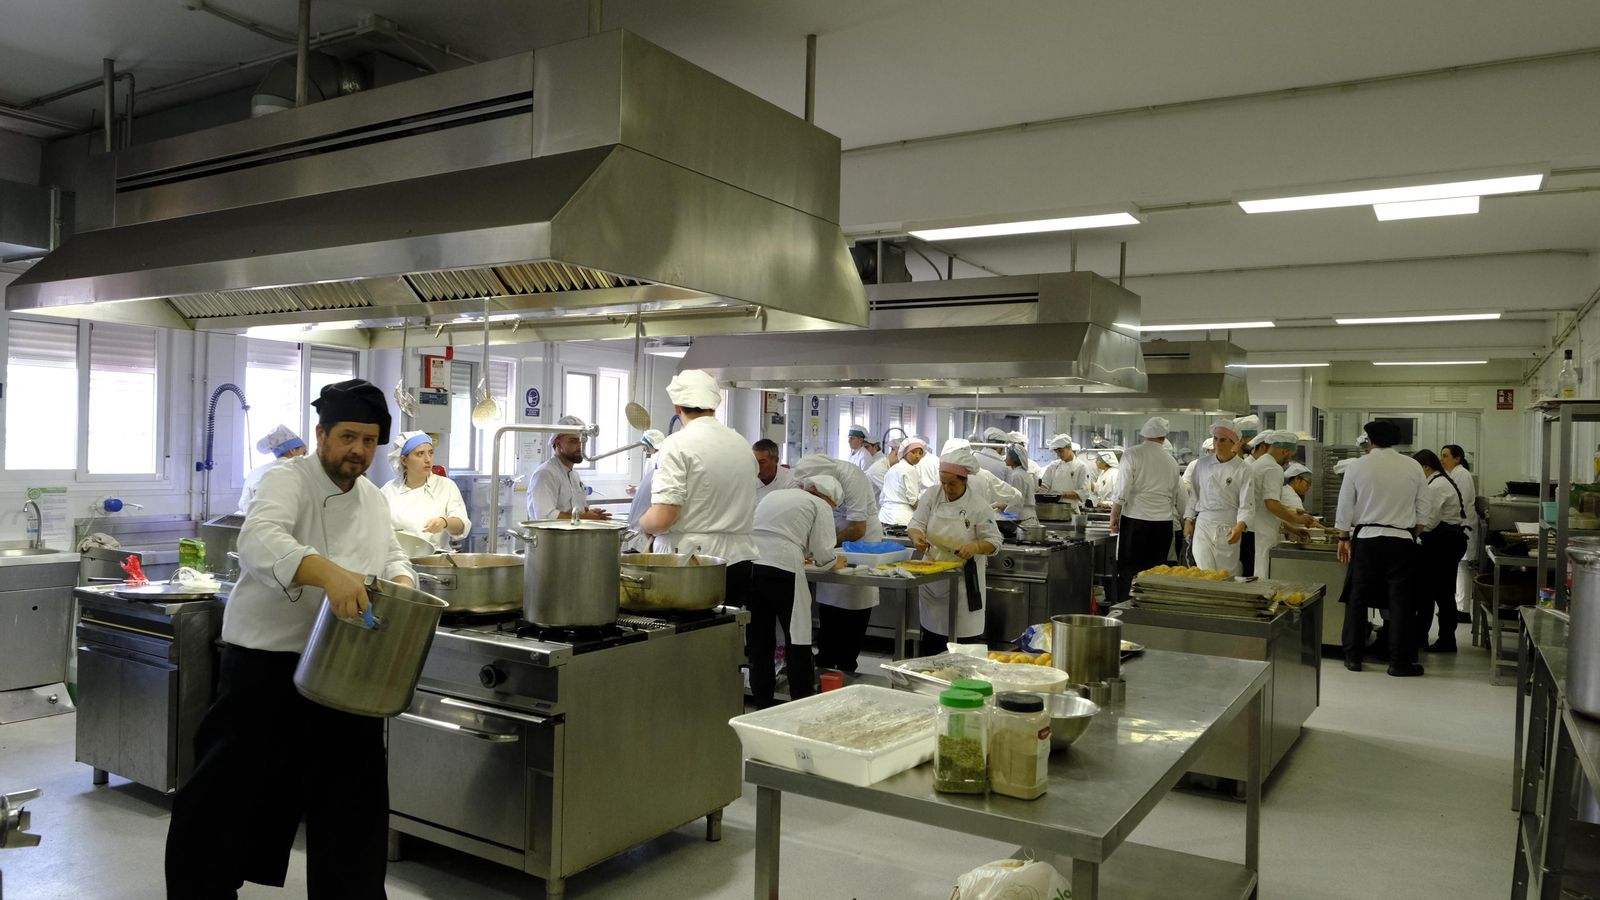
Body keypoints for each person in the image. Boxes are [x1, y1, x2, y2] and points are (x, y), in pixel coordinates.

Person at [166, 379, 416, 900]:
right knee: (226, 798)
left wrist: (402, 581)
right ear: (321, 434)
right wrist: (328, 574)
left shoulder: (372, 498)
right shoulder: (288, 479)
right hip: (266, 668)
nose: (359, 450)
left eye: (370, 441)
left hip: (344, 669)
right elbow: (260, 540)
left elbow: (392, 553)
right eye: (348, 437)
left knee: (353, 806)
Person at [639, 370, 760, 611]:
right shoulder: (741, 444)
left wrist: (643, 524)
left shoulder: (676, 444)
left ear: (677, 407)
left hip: (692, 565)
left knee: (689, 633)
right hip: (739, 561)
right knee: (727, 630)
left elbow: (664, 517)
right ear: (714, 404)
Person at [1335, 420, 1430, 676]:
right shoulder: (1412, 466)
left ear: (1370, 440)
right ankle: (1398, 662)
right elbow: (1424, 509)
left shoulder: (1358, 465)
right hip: (1401, 541)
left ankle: (1353, 657)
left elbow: (1345, 504)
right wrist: (1411, 533)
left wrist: (1343, 537)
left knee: (1358, 598)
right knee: (1400, 602)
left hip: (1367, 539)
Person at [749, 474, 846, 707]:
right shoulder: (820, 504)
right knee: (797, 639)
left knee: (760, 642)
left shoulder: (776, 495)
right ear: (830, 499)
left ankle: (762, 706)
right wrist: (836, 562)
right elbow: (823, 553)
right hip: (784, 567)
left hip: (752, 564)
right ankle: (799, 704)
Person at [791, 454, 882, 674]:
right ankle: (826, 660)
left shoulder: (851, 477)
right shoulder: (811, 481)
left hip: (862, 545)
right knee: (829, 601)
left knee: (854, 601)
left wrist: (824, 546)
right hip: (831, 540)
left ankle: (847, 664)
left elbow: (857, 529)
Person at [908, 447, 1002, 653]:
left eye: (952, 483)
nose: (947, 488)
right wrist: (917, 537)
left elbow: (994, 541)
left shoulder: (978, 505)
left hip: (963, 581)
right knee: (932, 641)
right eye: (943, 482)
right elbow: (916, 524)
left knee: (961, 643)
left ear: (964, 480)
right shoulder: (932, 495)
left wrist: (975, 547)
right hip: (932, 576)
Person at [1111, 418, 1183, 603]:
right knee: (1155, 573)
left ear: (1144, 433)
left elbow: (1122, 489)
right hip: (1163, 524)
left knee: (1129, 571)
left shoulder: (1132, 453)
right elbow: (1173, 495)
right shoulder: (1172, 461)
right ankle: (1149, 612)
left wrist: (1114, 514)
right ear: (1164, 436)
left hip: (1136, 520)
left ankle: (1126, 611)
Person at [1414, 449, 1469, 653]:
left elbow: (1429, 521)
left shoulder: (1436, 486)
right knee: (1433, 591)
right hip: (1446, 541)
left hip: (1444, 543)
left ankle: (1444, 639)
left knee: (1439, 592)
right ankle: (1424, 635)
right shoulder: (1439, 481)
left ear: (1426, 467)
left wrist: (1413, 532)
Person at [1182, 420, 1253, 575]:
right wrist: (1188, 520)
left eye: (1223, 440)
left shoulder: (1243, 468)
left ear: (1233, 442)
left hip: (1228, 524)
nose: (1217, 444)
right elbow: (1194, 495)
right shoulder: (1202, 464)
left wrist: (1239, 527)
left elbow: (1247, 504)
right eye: (1215, 439)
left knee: (1226, 573)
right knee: (1204, 570)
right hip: (1203, 523)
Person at [381, 430, 469, 552]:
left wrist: (444, 522)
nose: (428, 459)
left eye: (430, 453)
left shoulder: (446, 486)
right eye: (420, 454)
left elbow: (461, 526)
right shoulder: (389, 490)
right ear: (404, 460)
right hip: (398, 559)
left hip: (434, 559)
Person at [1244, 430, 1318, 576]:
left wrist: (1292, 529)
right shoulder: (1273, 468)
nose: (1289, 460)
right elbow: (1271, 505)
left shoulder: (1258, 464)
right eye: (1290, 456)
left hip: (1253, 531)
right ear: (1285, 451)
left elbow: (1266, 508)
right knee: (1262, 577)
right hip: (1262, 534)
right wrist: (1297, 519)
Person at [527, 415, 610, 521]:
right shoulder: (545, 474)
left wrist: (588, 513)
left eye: (582, 441)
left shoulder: (574, 475)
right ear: (558, 444)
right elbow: (545, 516)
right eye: (573, 441)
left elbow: (575, 509)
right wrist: (583, 517)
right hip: (550, 532)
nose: (580, 446)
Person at [1441, 443, 1478, 620]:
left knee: (1463, 567)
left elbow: (1459, 501)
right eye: (1441, 456)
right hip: (1457, 526)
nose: (1442, 459)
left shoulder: (1461, 474)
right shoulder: (1452, 474)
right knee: (1458, 567)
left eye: (1445, 456)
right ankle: (1457, 606)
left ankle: (1463, 609)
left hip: (1463, 525)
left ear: (1457, 458)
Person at [239, 424, 307, 513]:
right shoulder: (296, 471)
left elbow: (243, 504)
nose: (306, 456)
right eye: (304, 452)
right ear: (292, 450)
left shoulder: (255, 472)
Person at [624, 429, 668, 552]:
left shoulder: (655, 461)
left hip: (642, 530)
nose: (644, 450)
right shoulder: (657, 461)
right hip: (643, 531)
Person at [879, 437, 929, 527]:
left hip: (884, 517)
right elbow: (913, 500)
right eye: (913, 452)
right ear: (905, 452)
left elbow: (882, 498)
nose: (917, 456)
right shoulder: (910, 470)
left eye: (920, 453)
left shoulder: (892, 469)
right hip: (902, 519)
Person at [1039, 436, 1091, 510]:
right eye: (1056, 452)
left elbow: (1084, 492)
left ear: (1069, 448)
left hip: (1071, 509)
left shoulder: (1081, 467)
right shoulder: (1053, 465)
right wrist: (1039, 495)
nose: (1058, 454)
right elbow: (1045, 485)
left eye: (1060, 451)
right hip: (1052, 509)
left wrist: (1062, 494)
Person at [1004, 444, 1039, 527]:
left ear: (1014, 459)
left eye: (1008, 456)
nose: (1005, 458)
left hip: (1023, 517)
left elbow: (1017, 501)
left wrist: (1004, 517)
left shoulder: (1017, 475)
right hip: (1028, 515)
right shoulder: (1023, 474)